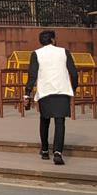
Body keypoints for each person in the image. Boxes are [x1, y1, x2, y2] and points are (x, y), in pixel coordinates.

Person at [24, 30, 78, 166]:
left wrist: (27, 93)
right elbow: (74, 72)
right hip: (62, 90)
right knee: (60, 122)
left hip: (45, 92)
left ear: (41, 41)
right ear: (53, 40)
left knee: (44, 120)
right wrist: (74, 88)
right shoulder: (64, 52)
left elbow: (32, 75)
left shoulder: (36, 54)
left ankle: (45, 150)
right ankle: (58, 152)